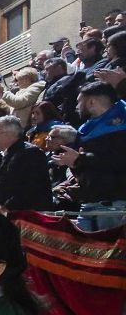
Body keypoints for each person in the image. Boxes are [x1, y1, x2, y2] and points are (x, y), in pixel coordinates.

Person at [51, 80, 126, 230]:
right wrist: (73, 164)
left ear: (91, 102)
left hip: (113, 204)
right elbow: (86, 168)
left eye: (79, 102)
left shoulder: (121, 125)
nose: (76, 107)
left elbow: (119, 160)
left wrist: (80, 159)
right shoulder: (85, 130)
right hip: (89, 202)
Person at [0, 115, 52, 212]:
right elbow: (0, 185)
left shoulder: (30, 153)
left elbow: (29, 188)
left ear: (11, 134)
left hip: (27, 216)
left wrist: (7, 207)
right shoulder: (5, 154)